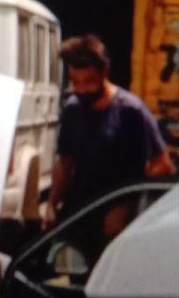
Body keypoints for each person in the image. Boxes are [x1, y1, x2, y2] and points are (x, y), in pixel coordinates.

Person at [43, 34, 170, 228]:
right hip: (79, 211)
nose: (82, 89)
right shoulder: (72, 109)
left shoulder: (132, 111)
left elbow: (162, 165)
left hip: (118, 219)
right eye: (76, 82)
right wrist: (52, 204)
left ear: (105, 72)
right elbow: (65, 162)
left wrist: (127, 206)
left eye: (89, 81)